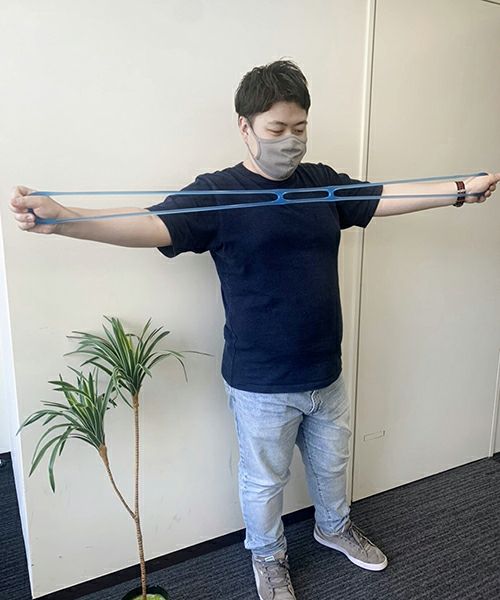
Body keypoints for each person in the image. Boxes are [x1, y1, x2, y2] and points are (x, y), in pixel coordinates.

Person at [10, 60, 499, 600]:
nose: (291, 141)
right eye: (277, 129)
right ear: (245, 127)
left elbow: (384, 197)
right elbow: (151, 224)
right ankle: (267, 558)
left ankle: (333, 529)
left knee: (333, 467)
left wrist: (460, 190)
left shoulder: (321, 183)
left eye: (300, 128)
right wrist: (67, 220)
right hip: (261, 383)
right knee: (264, 482)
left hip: (326, 371)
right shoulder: (219, 193)